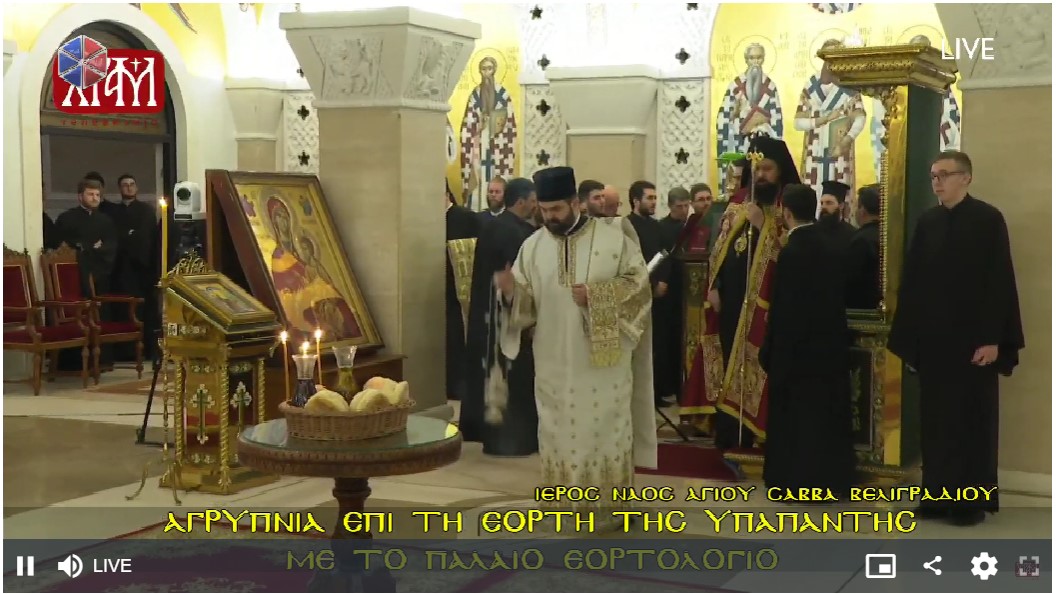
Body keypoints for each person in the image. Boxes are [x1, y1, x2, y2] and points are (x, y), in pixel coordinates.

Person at [495, 166, 657, 519]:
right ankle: (562, 507)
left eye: (556, 209)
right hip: (552, 362)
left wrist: (599, 296)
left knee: (603, 433)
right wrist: (511, 295)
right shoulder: (532, 247)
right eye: (543, 210)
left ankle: (607, 512)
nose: (549, 217)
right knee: (557, 434)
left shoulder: (614, 241)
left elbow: (639, 288)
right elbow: (525, 308)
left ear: (574, 203)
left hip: (603, 367)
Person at [888, 151, 1023, 526]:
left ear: (966, 178)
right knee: (935, 423)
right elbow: (913, 283)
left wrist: (993, 339)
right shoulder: (927, 222)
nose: (937, 183)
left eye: (944, 175)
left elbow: (998, 282)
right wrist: (912, 339)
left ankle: (968, 504)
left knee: (971, 422)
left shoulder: (988, 220)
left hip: (973, 344)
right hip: (934, 343)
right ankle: (935, 497)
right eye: (934, 175)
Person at [681, 134, 801, 451]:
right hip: (731, 302)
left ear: (780, 169)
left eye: (767, 168)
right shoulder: (738, 202)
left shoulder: (789, 205)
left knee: (758, 364)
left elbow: (793, 255)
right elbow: (718, 250)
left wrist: (763, 225)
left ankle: (756, 434)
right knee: (727, 362)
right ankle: (728, 432)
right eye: (756, 168)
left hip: (767, 305)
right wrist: (714, 287)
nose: (761, 174)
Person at [759, 183, 855, 495]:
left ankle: (796, 481)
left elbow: (784, 309)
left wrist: (771, 350)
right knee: (825, 416)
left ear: (785, 212)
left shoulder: (792, 252)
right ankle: (830, 481)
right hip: (829, 349)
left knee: (797, 420)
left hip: (796, 353)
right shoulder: (832, 245)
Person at [462, 178, 539, 455]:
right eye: (534, 201)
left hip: (493, 313)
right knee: (509, 376)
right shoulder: (512, 231)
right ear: (521, 201)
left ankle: (489, 433)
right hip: (505, 316)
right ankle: (511, 441)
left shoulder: (498, 225)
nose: (536, 206)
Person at [627, 180, 676, 405]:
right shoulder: (627, 226)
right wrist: (650, 282)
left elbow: (665, 255)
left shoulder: (658, 227)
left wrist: (662, 280)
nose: (654, 202)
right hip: (637, 293)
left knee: (658, 344)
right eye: (650, 198)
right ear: (636, 201)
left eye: (655, 198)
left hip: (659, 294)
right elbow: (632, 260)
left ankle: (656, 393)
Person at [108, 174, 159, 359]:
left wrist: (130, 236)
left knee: (146, 310)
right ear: (119, 189)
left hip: (142, 270)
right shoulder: (113, 212)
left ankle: (148, 350)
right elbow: (115, 236)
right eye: (125, 185)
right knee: (123, 310)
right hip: (121, 270)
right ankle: (126, 352)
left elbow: (145, 237)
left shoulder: (146, 210)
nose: (129, 187)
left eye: (132, 184)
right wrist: (129, 235)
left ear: (136, 188)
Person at [445, 181, 480, 401]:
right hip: (438, 289)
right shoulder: (427, 219)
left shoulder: (465, 217)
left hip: (459, 290)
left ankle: (458, 385)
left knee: (457, 337)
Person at [845, 184, 882, 309]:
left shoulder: (860, 240)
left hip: (863, 310)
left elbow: (851, 281)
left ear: (862, 210)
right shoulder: (889, 235)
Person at [817, 180, 856, 250]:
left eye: (829, 203)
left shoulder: (852, 234)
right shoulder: (813, 232)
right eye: (822, 203)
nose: (823, 207)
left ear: (841, 205)